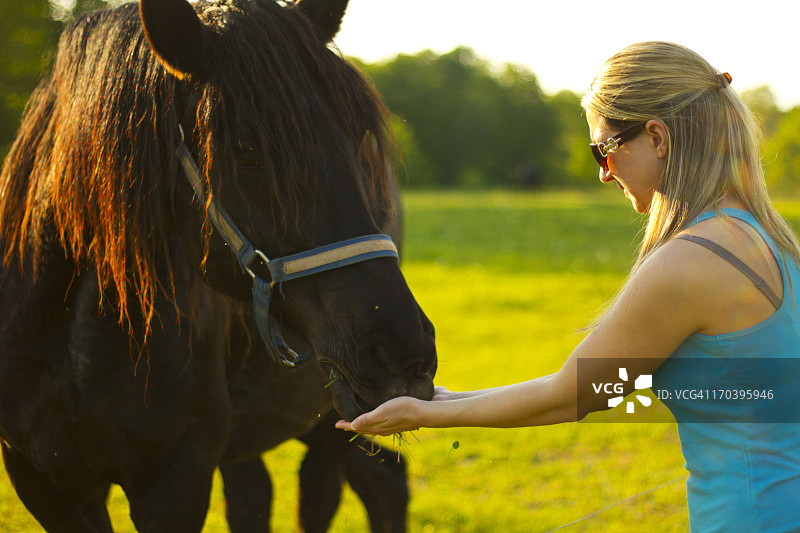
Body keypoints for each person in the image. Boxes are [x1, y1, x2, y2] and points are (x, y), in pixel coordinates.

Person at [336, 41, 800, 531]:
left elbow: (574, 395)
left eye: (604, 149)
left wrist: (426, 416)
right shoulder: (765, 238)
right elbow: (598, 385)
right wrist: (447, 399)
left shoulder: (692, 260)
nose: (602, 172)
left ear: (658, 137)